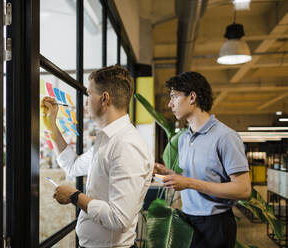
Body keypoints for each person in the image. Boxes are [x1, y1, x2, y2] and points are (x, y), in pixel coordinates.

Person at [41, 65, 154, 248]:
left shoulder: (126, 145)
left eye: (89, 94)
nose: (85, 102)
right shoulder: (108, 140)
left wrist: (75, 196)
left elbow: (119, 219)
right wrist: (52, 124)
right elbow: (73, 166)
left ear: (104, 98)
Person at [154, 71, 251, 248]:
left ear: (192, 97)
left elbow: (243, 189)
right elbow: (196, 176)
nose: (169, 104)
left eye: (174, 97)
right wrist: (168, 173)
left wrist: (189, 183)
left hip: (216, 224)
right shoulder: (183, 138)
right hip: (189, 220)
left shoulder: (225, 137)